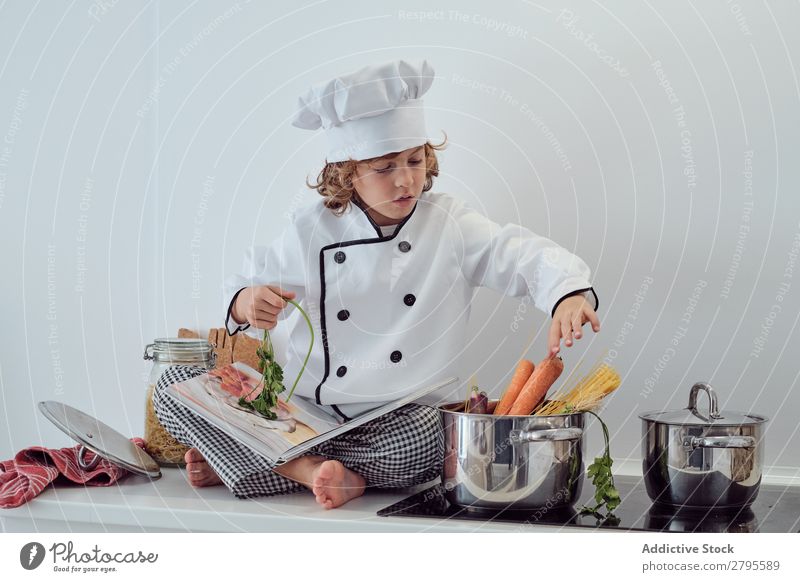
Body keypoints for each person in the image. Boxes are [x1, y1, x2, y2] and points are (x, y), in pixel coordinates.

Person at [152, 59, 601, 510]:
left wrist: (567, 293)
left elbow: (519, 252)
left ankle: (249, 459)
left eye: (414, 160)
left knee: (429, 444)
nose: (406, 179)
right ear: (347, 174)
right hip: (303, 414)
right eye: (385, 167)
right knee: (174, 384)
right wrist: (247, 304)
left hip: (398, 421)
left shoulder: (449, 224)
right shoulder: (311, 229)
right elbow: (248, 285)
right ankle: (304, 469)